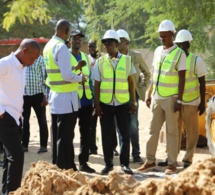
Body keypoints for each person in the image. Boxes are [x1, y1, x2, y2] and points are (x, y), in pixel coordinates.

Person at [137, 20, 186, 174]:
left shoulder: (180, 54)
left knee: (172, 132)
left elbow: (182, 78)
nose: (162, 39)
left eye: (165, 36)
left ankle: (172, 164)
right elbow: (154, 73)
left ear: (172, 35)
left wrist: (179, 99)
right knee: (153, 130)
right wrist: (150, 92)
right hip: (157, 97)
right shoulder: (158, 51)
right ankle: (150, 161)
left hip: (172, 98)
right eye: (160, 37)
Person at [43, 19, 86, 171]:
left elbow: (59, 71)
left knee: (58, 135)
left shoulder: (48, 46)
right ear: (66, 31)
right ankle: (62, 168)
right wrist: (81, 78)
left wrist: (74, 68)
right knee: (65, 137)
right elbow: (67, 75)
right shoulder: (61, 47)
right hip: (66, 98)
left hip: (56, 97)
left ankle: (65, 165)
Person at [92, 29, 136, 175]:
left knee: (125, 134)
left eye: (110, 43)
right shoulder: (100, 62)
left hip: (123, 103)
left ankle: (125, 164)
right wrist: (97, 104)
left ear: (117, 44)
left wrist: (133, 102)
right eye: (105, 43)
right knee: (106, 134)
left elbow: (131, 82)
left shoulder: (127, 60)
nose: (107, 46)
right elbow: (96, 84)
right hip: (105, 104)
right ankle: (108, 164)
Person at [0, 39, 40, 194]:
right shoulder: (6, 64)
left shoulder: (22, 67)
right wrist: (1, 112)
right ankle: (13, 192)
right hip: (5, 118)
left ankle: (7, 192)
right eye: (33, 58)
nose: (33, 62)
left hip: (16, 118)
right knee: (17, 157)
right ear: (24, 50)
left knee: (10, 159)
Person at [116, 29, 151, 164]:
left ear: (127, 42)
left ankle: (136, 154)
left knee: (133, 125)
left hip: (132, 96)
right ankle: (124, 155)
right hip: (118, 96)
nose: (118, 44)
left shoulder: (136, 56)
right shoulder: (114, 57)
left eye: (121, 41)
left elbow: (147, 73)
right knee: (120, 126)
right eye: (117, 41)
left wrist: (141, 87)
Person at [174, 29, 207, 168]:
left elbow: (202, 81)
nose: (180, 47)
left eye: (183, 44)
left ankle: (188, 158)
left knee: (191, 131)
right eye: (178, 44)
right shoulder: (173, 59)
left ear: (188, 44)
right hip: (176, 101)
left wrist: (202, 103)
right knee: (174, 130)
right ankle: (172, 157)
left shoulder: (196, 60)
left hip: (191, 101)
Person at [69, 30, 95, 173]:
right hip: (72, 100)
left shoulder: (85, 56)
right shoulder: (66, 55)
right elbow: (65, 73)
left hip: (86, 101)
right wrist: (75, 69)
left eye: (80, 39)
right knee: (70, 133)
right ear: (70, 40)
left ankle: (83, 162)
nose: (78, 41)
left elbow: (89, 79)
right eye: (75, 38)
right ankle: (70, 163)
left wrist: (93, 99)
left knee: (85, 133)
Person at [22, 55, 49, 153]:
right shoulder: (22, 59)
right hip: (25, 95)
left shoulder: (41, 59)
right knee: (24, 121)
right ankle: (24, 145)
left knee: (41, 120)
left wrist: (45, 96)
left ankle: (43, 145)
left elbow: (45, 78)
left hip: (38, 95)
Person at [88, 39, 100, 155]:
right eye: (89, 46)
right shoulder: (86, 59)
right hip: (92, 94)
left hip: (104, 94)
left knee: (108, 123)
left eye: (93, 46)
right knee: (92, 123)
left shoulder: (103, 59)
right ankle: (92, 147)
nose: (91, 48)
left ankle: (112, 147)